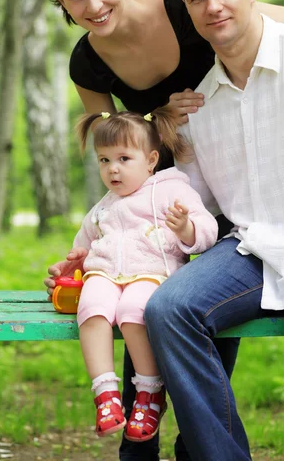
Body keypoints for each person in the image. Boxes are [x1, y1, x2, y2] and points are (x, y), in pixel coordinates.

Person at [44, 0, 284, 461]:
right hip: (186, 203)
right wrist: (102, 246)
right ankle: (163, 450)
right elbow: (118, 151)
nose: (92, 3)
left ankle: (198, 448)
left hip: (266, 204)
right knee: (152, 305)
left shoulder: (197, 5)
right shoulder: (102, 70)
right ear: (60, 0)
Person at [144, 0, 284, 461]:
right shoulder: (198, 108)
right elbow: (176, 204)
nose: (213, 6)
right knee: (169, 308)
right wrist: (96, 249)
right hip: (253, 254)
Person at [52, 108, 218, 442]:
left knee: (132, 311)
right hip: (105, 275)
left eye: (124, 158)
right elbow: (82, 247)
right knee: (92, 305)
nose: (112, 168)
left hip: (152, 274)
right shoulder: (103, 206)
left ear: (151, 159)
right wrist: (73, 263)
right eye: (103, 160)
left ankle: (149, 393)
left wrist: (186, 229)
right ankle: (105, 394)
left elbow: (208, 230)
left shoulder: (173, 192)